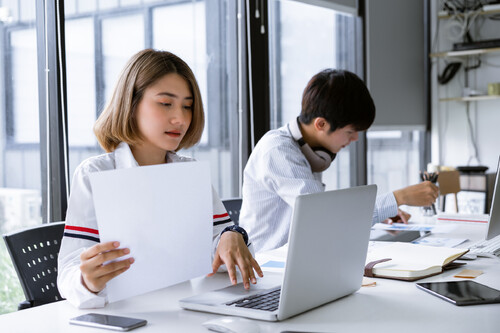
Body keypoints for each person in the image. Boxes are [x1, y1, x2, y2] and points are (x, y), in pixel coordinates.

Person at [58, 49, 263, 309]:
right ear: (130, 104)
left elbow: (216, 253)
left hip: (184, 310)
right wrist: (86, 280)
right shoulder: (95, 174)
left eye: (187, 106)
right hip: (123, 315)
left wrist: (232, 235)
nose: (180, 118)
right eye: (165, 103)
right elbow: (67, 273)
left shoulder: (189, 173)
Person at [239, 69, 439, 252]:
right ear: (321, 124)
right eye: (350, 132)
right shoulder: (279, 151)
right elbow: (326, 218)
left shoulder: (310, 151)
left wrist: (381, 212)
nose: (355, 139)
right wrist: (398, 198)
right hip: (266, 270)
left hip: (300, 263)